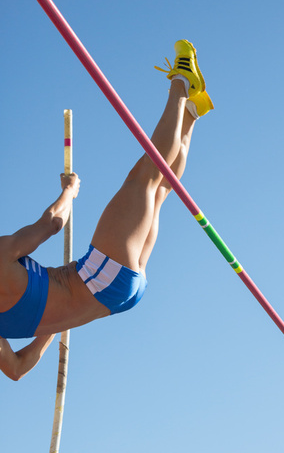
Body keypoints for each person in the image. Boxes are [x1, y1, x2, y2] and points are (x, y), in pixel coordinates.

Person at [0, 40, 213, 380]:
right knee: (145, 177)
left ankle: (190, 113)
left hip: (118, 295)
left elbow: (16, 369)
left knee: (158, 192)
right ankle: (181, 82)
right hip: (97, 278)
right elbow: (52, 223)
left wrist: (54, 324)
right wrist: (69, 192)